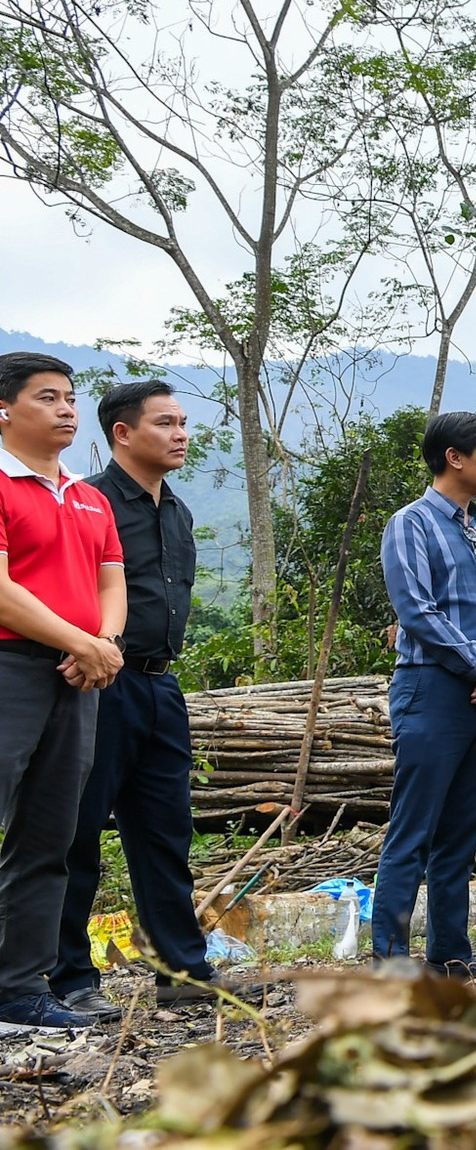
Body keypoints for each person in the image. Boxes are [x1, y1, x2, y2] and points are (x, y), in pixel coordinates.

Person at [53, 382, 259, 1020]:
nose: (181, 434)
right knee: (77, 830)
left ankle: (181, 969)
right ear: (122, 432)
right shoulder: (86, 503)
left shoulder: (178, 512)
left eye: (183, 423)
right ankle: (67, 976)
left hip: (161, 685)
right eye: (165, 423)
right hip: (96, 682)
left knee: (166, 831)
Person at [0, 352, 125, 1031]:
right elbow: (2, 592)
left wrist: (99, 645)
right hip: (10, 666)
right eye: (47, 397)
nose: (67, 409)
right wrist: (82, 643)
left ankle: (18, 989)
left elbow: (112, 585)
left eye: (70, 396)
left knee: (49, 835)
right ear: (5, 409)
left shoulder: (88, 496)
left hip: (79, 678)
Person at [375, 411, 476, 978]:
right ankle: (389, 964)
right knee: (413, 830)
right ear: (454, 458)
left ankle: (450, 956)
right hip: (432, 690)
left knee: (461, 831)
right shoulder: (410, 524)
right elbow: (417, 611)